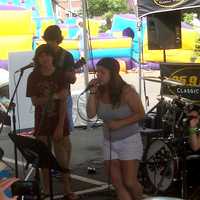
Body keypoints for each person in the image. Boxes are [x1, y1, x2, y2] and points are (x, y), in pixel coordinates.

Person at [86, 57, 144, 200]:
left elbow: (141, 113)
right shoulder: (99, 91)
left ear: (113, 73)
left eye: (102, 72)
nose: (98, 75)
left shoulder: (127, 91)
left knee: (129, 182)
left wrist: (120, 123)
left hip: (129, 140)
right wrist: (92, 93)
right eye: (97, 72)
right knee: (117, 183)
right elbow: (90, 114)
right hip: (109, 140)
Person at [26, 44, 77, 200]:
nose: (45, 59)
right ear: (38, 59)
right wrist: (53, 97)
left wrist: (60, 125)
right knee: (44, 158)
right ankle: (46, 189)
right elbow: (35, 101)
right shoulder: (33, 76)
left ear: (52, 57)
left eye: (47, 55)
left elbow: (63, 102)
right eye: (41, 56)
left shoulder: (60, 75)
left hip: (59, 120)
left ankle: (68, 190)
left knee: (62, 158)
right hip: (41, 121)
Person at [43, 25, 76, 132]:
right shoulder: (42, 54)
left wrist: (69, 75)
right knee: (46, 130)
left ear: (58, 40)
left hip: (63, 96)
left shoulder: (67, 56)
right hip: (46, 96)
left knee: (64, 131)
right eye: (48, 40)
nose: (50, 43)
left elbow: (73, 80)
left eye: (53, 40)